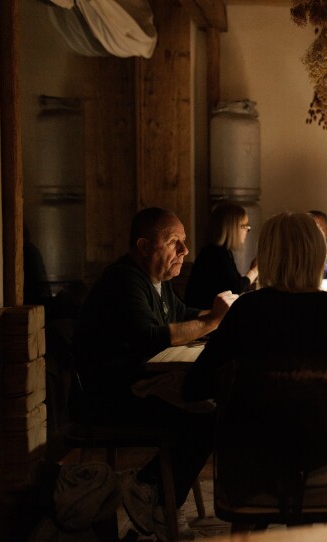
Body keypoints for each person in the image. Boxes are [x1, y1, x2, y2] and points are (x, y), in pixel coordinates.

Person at [74, 207, 237, 539]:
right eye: (174, 242)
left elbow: (182, 315)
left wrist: (228, 315)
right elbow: (148, 339)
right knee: (205, 417)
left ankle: (157, 497)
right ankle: (148, 490)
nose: (184, 251)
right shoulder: (124, 279)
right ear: (144, 246)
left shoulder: (157, 283)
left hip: (137, 385)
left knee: (209, 406)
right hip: (110, 398)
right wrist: (212, 321)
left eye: (184, 242)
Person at [184, 211, 327, 404]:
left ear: (265, 257)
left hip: (255, 449)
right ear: (319, 255)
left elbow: (194, 387)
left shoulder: (245, 311)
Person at [185, 202, 258, 309]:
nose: (247, 230)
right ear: (231, 228)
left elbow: (235, 284)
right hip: (203, 317)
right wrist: (255, 271)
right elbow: (235, 289)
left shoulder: (221, 252)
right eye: (245, 226)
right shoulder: (215, 254)